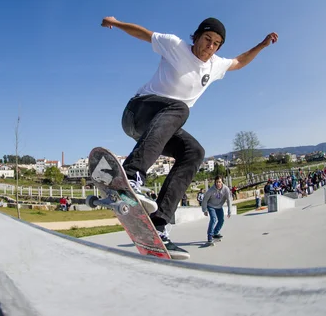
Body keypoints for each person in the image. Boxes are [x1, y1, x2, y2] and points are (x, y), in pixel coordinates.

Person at [102, 16, 277, 259]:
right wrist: (116, 22)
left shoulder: (215, 65)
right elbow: (143, 33)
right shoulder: (175, 45)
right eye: (207, 39)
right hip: (137, 113)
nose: (210, 47)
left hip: (159, 129)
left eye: (216, 43)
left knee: (194, 152)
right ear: (196, 36)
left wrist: (261, 45)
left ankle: (159, 224)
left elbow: (239, 61)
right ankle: (131, 176)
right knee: (181, 108)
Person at [201, 176, 232, 246]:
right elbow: (205, 200)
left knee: (221, 220)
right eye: (217, 182)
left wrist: (229, 211)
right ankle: (209, 237)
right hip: (211, 206)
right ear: (215, 182)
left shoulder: (226, 189)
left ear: (222, 182)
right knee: (213, 219)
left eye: (219, 182)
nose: (218, 184)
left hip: (219, 207)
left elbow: (229, 200)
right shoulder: (211, 190)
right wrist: (204, 210)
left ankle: (215, 233)